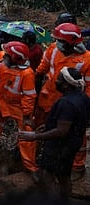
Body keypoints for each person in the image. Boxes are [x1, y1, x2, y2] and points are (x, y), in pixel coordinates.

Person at [19, 67, 90, 199]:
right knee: (64, 175)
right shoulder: (82, 97)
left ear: (66, 85)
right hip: (73, 142)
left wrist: (35, 136)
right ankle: (64, 204)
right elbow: (71, 121)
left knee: (46, 175)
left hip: (60, 146)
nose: (55, 81)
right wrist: (49, 126)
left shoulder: (66, 103)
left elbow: (61, 131)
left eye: (58, 79)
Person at [34, 22, 90, 173]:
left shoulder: (86, 59)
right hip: (48, 99)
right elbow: (41, 70)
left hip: (71, 105)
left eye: (60, 40)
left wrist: (82, 107)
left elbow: (89, 88)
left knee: (75, 134)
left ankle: (77, 165)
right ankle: (38, 159)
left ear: (71, 42)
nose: (56, 43)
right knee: (42, 128)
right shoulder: (53, 50)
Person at [0, 41, 37, 173]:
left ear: (15, 58)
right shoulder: (2, 60)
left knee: (25, 132)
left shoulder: (27, 74)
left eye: (8, 55)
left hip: (16, 106)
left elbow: (29, 96)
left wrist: (26, 115)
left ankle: (29, 166)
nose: (5, 56)